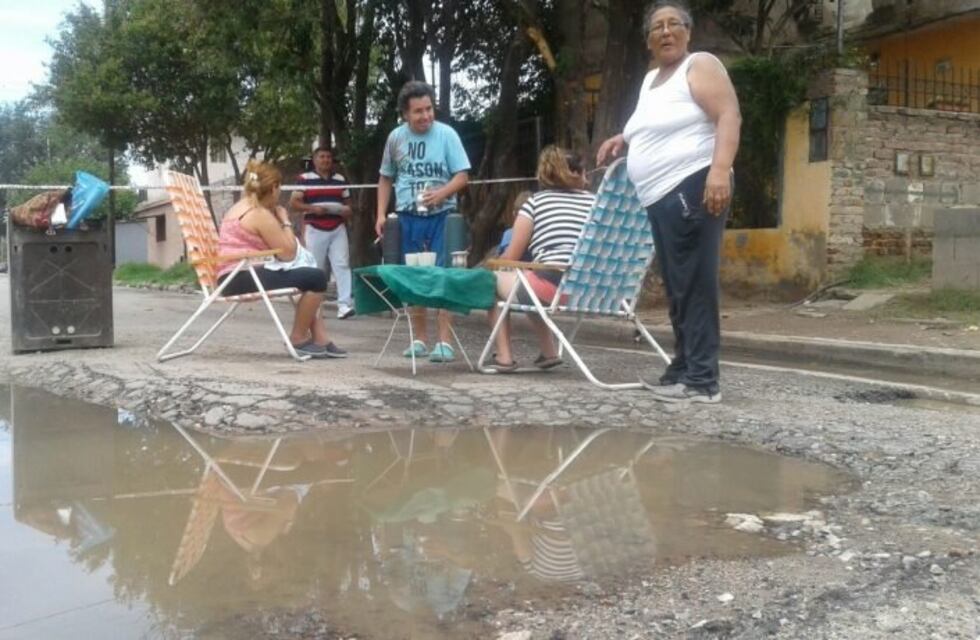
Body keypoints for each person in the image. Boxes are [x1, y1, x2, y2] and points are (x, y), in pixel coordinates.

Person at [596, 0, 741, 404]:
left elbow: (728, 114)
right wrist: (623, 139)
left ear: (688, 32)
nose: (665, 32)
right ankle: (682, 367)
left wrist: (719, 169)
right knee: (679, 286)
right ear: (648, 40)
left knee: (695, 282)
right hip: (659, 197)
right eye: (657, 27)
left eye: (673, 24)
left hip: (692, 185)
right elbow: (650, 125)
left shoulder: (700, 65)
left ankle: (702, 380)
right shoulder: (651, 80)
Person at [375, 81, 471, 363]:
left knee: (444, 273)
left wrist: (441, 193)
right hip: (407, 214)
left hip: (443, 216)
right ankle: (419, 338)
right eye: (418, 111)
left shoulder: (447, 135)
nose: (425, 116)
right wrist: (381, 214)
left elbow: (462, 176)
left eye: (429, 109)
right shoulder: (395, 138)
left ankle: (445, 341)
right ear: (405, 113)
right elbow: (385, 177)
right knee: (414, 274)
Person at [216, 159, 347, 358]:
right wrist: (285, 220)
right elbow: (288, 254)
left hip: (233, 275)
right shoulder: (258, 213)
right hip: (241, 276)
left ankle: (321, 338)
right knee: (316, 278)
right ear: (273, 188)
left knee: (307, 274)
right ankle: (299, 338)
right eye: (279, 188)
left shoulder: (239, 207)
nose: (279, 195)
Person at [486, 146, 594, 372]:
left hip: (551, 288)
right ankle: (548, 352)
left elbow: (511, 258)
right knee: (529, 282)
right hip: (591, 290)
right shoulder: (596, 204)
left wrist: (494, 263)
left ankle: (504, 357)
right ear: (576, 173)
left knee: (495, 280)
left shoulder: (535, 202)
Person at [290, 147, 356, 319]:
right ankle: (314, 307)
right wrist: (313, 208)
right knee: (316, 267)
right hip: (315, 226)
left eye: (328, 157)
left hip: (337, 226)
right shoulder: (304, 179)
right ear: (314, 159)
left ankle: (345, 305)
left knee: (342, 264)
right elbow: (294, 203)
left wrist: (346, 210)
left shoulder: (340, 179)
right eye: (322, 157)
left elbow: (348, 204)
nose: (326, 160)